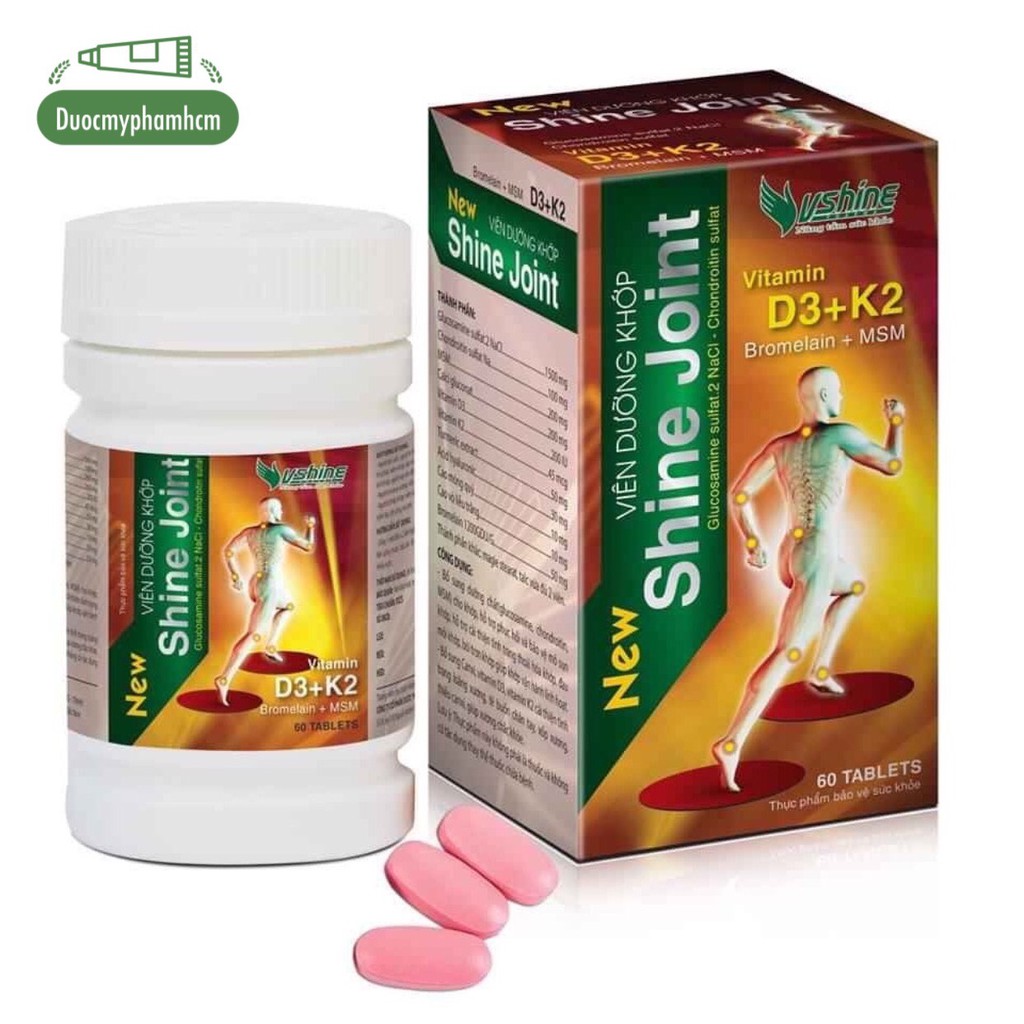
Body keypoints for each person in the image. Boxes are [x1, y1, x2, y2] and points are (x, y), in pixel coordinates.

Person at [712, 367, 904, 792]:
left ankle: (821, 668)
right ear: (824, 394)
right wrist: (896, 423)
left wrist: (754, 542)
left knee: (854, 586)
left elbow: (739, 495)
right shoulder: (840, 435)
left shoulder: (782, 447)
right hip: (817, 551)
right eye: (838, 390)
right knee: (788, 650)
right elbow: (892, 464)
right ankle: (732, 741)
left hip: (790, 552)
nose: (842, 397)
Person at [214, 497, 316, 706]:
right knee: (254, 634)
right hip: (270, 584)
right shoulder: (281, 530)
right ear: (273, 510)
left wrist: (235, 576)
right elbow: (308, 546)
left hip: (256, 582)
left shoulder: (250, 532)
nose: (281, 512)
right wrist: (310, 527)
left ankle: (271, 645)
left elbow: (229, 551)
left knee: (288, 606)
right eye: (279, 509)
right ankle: (224, 678)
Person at [746, 103, 851, 152]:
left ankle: (807, 144)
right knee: (812, 133)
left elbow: (825, 111)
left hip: (810, 125)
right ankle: (806, 145)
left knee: (814, 132)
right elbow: (753, 120)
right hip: (809, 125)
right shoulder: (779, 114)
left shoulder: (787, 114)